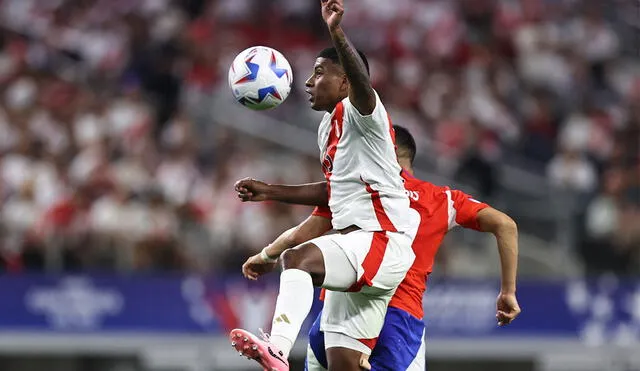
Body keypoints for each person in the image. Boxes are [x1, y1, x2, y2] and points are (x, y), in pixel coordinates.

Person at [229, 1, 419, 370]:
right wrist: (269, 194)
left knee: (298, 260)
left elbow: (363, 84)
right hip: (357, 249)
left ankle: (278, 350)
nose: (308, 82)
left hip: (381, 238)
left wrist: (336, 32)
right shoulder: (326, 128)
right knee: (343, 365)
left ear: (345, 81)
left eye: (319, 73)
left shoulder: (364, 113)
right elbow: (330, 198)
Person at [238, 126, 521, 370]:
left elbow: (300, 235)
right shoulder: (442, 199)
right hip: (398, 317)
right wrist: (507, 291)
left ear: (384, 149)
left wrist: (267, 255)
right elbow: (505, 225)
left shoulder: (359, 190)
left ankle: (279, 346)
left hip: (336, 315)